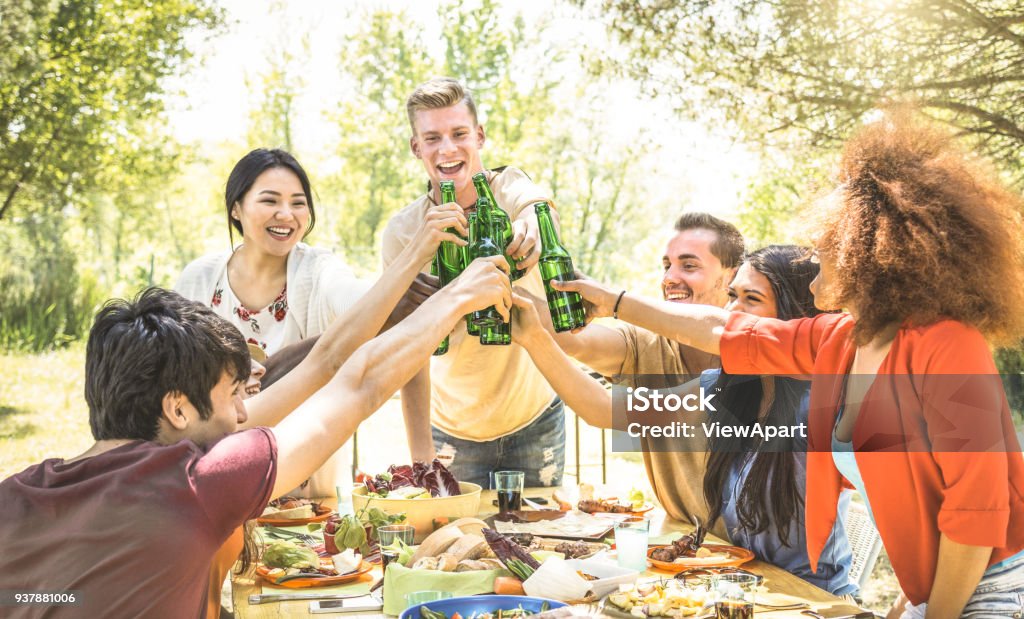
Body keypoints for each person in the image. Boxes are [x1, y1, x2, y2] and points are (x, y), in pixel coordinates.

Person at [554, 111, 1024, 617]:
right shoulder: (840, 340)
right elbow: (722, 332)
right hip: (936, 586)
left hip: (995, 586)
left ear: (870, 255)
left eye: (824, 253)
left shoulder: (949, 344)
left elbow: (977, 513)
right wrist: (615, 301)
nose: (813, 273)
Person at [0, 256, 511, 618]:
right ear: (177, 408)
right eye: (231, 396)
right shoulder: (197, 484)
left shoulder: (15, 494)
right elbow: (360, 384)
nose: (244, 413)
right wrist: (460, 296)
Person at [513, 245, 856, 596]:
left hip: (814, 601)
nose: (734, 312)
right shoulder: (727, 389)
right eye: (732, 297)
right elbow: (603, 409)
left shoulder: (827, 404)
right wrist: (533, 338)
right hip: (742, 592)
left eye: (751, 300)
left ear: (794, 319)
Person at [380, 76, 564, 488]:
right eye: (432, 138)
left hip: (535, 419)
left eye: (459, 133)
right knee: (461, 545)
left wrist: (533, 226)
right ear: (416, 147)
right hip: (452, 433)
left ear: (479, 136)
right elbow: (408, 352)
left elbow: (535, 205)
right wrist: (422, 460)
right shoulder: (403, 233)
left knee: (550, 540)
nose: (447, 149)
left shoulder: (509, 186)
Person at [176, 148, 369, 497]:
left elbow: (358, 301)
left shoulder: (318, 270)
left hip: (311, 494)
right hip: (220, 490)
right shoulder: (200, 280)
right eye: (270, 200)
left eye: (298, 202)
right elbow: (172, 379)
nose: (287, 215)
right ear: (236, 208)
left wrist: (403, 283)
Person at [548, 212, 743, 539]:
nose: (670, 277)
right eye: (666, 265)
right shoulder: (648, 343)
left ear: (731, 278)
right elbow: (573, 340)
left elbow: (602, 409)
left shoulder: (759, 356)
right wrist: (529, 288)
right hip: (689, 548)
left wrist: (614, 302)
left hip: (764, 562)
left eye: (689, 266)